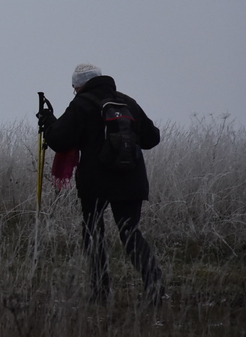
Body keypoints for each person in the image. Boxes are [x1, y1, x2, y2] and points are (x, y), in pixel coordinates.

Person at [38, 63, 165, 304]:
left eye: (74, 86)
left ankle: (100, 291)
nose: (74, 90)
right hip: (132, 178)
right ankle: (154, 283)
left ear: (80, 85)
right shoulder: (127, 102)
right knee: (129, 231)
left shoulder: (81, 104)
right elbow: (152, 138)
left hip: (96, 181)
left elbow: (59, 140)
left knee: (93, 232)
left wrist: (49, 122)